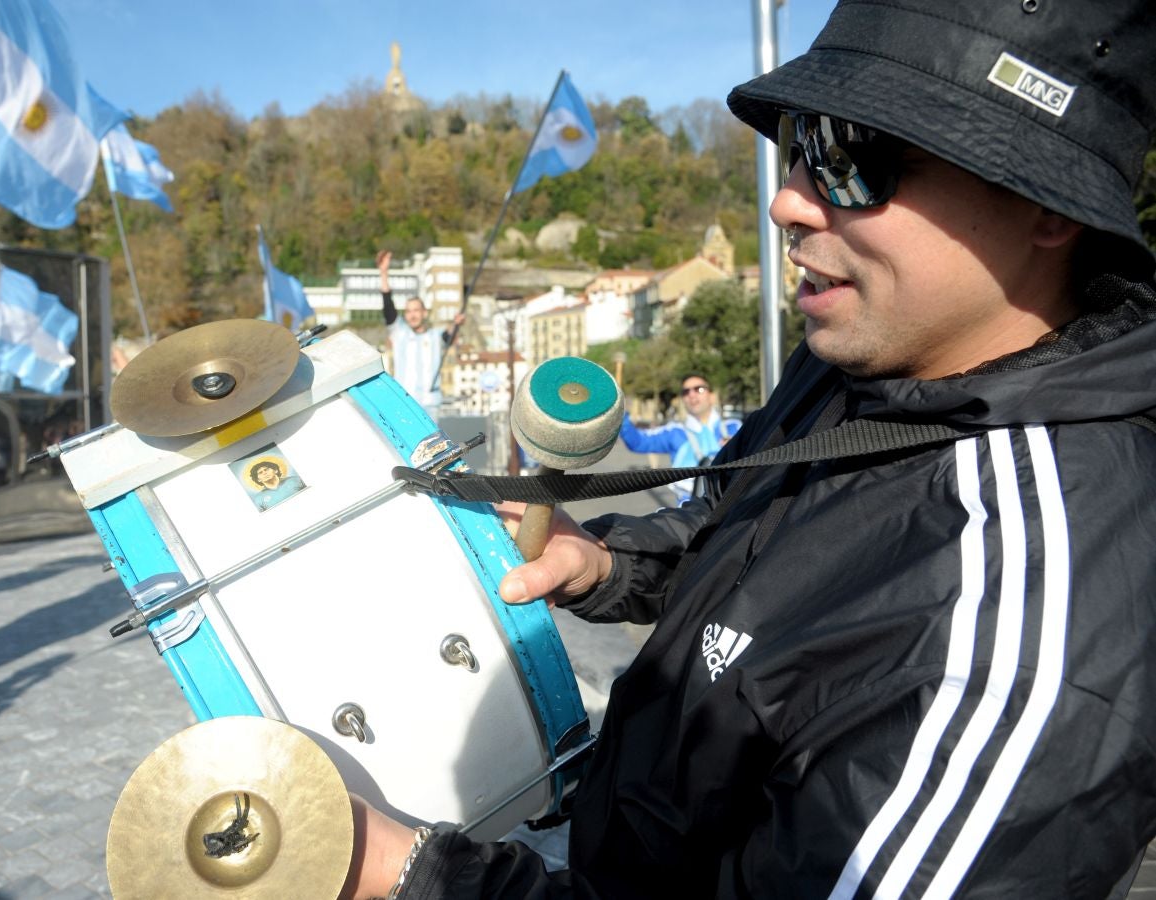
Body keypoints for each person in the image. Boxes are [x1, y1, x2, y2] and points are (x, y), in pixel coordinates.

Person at [341, 2, 1156, 896]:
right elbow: (744, 536)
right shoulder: (864, 360)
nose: (786, 200)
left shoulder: (1023, 640)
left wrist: (409, 875)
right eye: (798, 144)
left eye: (852, 156)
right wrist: (611, 564)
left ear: (1043, 207)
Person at [377, 250, 464, 421]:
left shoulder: (435, 335)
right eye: (408, 311)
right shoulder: (399, 332)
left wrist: (456, 324)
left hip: (431, 402)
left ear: (424, 313)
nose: (412, 315)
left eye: (416, 310)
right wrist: (383, 272)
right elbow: (388, 306)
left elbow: (449, 336)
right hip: (405, 401)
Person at [618, 374, 724, 505]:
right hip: (691, 513)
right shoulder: (675, 432)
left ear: (712, 396)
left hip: (732, 509)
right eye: (686, 392)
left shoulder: (735, 428)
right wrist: (620, 413)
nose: (692, 394)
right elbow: (637, 442)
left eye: (699, 389)